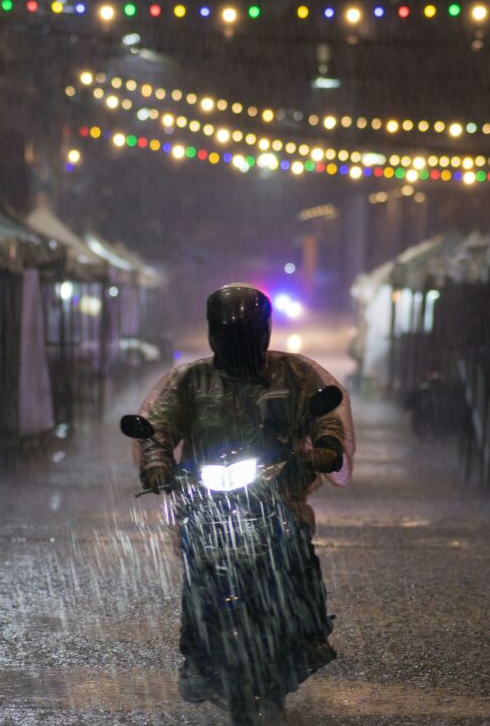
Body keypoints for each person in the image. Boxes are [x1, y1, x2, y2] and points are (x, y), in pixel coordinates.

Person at [135, 284, 353, 701]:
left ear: (264, 332)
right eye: (230, 334)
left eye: (246, 334)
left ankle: (309, 635)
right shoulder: (190, 380)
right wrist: (157, 461)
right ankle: (197, 655)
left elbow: (322, 418)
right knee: (198, 564)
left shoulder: (295, 375)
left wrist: (325, 448)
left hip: (279, 493)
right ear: (214, 334)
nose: (239, 343)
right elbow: (160, 427)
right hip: (207, 496)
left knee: (297, 552)